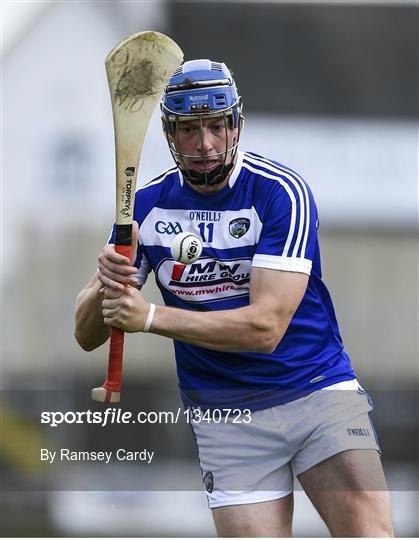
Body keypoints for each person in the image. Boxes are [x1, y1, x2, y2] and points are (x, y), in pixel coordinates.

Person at [75, 59, 394, 537]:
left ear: (235, 125)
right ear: (169, 133)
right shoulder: (146, 206)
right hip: (225, 415)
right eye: (189, 130)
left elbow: (265, 328)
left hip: (315, 392)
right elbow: (85, 336)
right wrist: (107, 283)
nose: (204, 145)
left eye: (215, 127)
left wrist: (149, 318)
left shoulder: (279, 194)